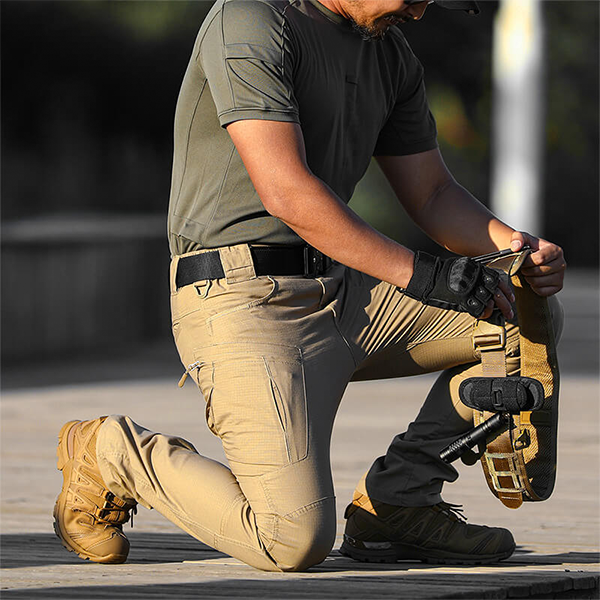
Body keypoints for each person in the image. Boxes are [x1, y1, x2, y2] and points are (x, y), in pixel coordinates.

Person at [53, 0, 566, 572]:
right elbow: (286, 191)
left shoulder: (390, 55)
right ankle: (112, 452)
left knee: (516, 311)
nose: (421, 14)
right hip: (242, 299)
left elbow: (433, 195)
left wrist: (518, 248)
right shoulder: (251, 19)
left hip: (342, 292)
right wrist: (424, 275)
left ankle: (399, 502)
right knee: (291, 540)